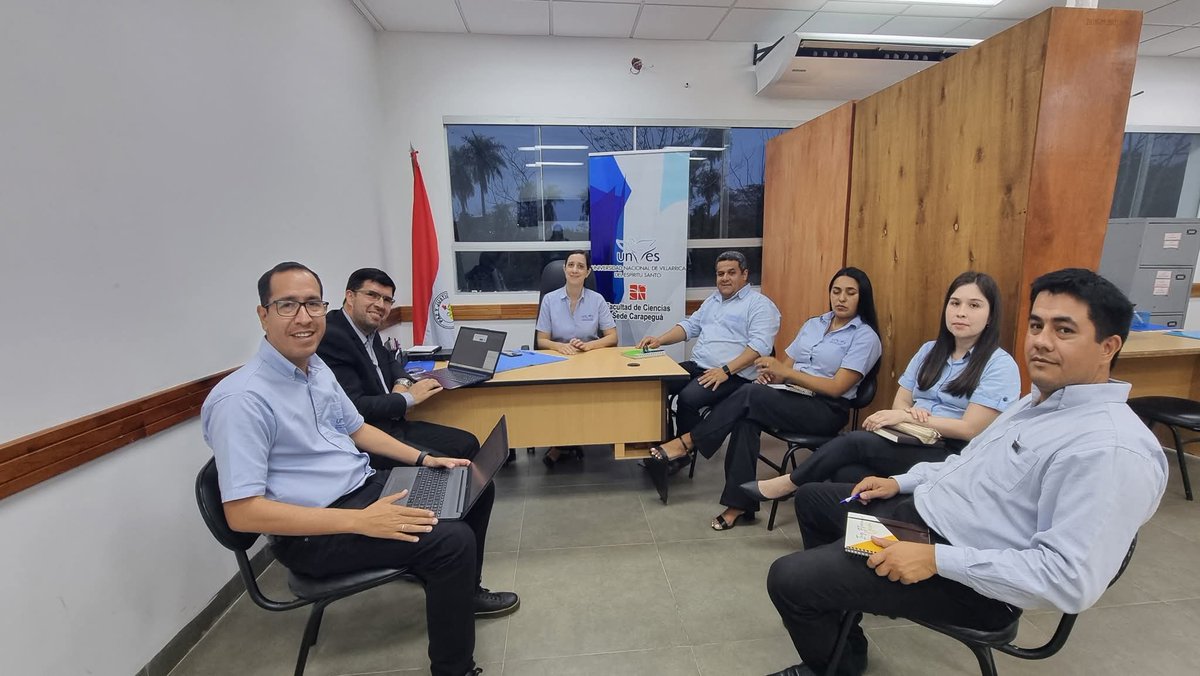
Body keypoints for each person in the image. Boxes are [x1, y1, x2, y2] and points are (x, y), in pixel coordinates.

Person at [762, 268, 1167, 676]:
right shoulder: (1038, 402)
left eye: (1064, 331)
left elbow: (1069, 580)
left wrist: (937, 560)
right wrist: (899, 482)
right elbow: (964, 464)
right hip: (922, 523)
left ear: (1107, 347)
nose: (1041, 341)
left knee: (790, 579)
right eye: (1036, 325)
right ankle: (844, 646)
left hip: (971, 583)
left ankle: (835, 663)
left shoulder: (1110, 449)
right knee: (815, 498)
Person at [202, 262, 519, 676]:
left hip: (363, 491)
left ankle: (461, 593)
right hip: (316, 532)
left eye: (313, 304)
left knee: (471, 482)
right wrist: (361, 521)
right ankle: (453, 669)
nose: (304, 317)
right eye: (287, 305)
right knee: (452, 541)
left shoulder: (314, 369)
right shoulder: (242, 400)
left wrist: (426, 460)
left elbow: (358, 429)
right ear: (263, 314)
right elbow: (242, 513)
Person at [743, 271, 1020, 504]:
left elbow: (970, 428)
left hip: (950, 452)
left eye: (974, 306)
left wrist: (907, 416)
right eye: (955, 303)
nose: (961, 313)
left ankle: (787, 484)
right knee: (846, 472)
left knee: (852, 442)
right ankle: (856, 542)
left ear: (990, 314)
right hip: (910, 438)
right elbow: (902, 399)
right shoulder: (929, 351)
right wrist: (906, 415)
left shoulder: (999, 365)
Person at [645, 267, 882, 522]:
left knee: (748, 394)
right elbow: (787, 367)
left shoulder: (865, 337)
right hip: (791, 396)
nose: (841, 299)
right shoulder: (815, 324)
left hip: (826, 409)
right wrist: (774, 374)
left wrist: (786, 375)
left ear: (862, 297)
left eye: (850, 293)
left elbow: (838, 387)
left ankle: (687, 442)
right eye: (836, 292)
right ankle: (741, 506)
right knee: (746, 420)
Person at [317, 268, 479, 468]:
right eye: (372, 295)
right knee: (449, 467)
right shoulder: (332, 336)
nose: (380, 305)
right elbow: (356, 407)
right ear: (350, 296)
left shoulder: (368, 328)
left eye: (387, 300)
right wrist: (408, 398)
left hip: (392, 423)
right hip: (366, 438)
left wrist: (401, 385)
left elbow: (392, 362)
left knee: (468, 444)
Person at [637, 251, 781, 453]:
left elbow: (759, 348)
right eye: (720, 274)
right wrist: (659, 340)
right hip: (698, 366)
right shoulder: (713, 301)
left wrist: (725, 370)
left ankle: (682, 451)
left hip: (733, 375)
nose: (724, 278)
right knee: (657, 385)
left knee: (688, 398)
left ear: (745, 274)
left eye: (731, 273)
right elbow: (689, 327)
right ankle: (661, 443)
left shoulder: (760, 306)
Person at [534, 250, 618, 467]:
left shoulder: (597, 300)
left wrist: (589, 345)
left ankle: (581, 437)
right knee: (559, 395)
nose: (574, 269)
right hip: (558, 361)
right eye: (571, 265)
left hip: (589, 360)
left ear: (587, 272)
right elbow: (541, 340)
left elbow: (612, 337)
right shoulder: (550, 300)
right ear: (564, 269)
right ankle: (562, 441)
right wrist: (559, 346)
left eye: (580, 266)